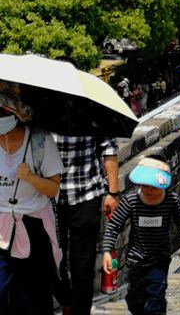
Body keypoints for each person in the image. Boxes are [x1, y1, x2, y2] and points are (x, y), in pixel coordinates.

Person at [101, 157, 180, 315]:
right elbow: (114, 226)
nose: (150, 191)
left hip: (159, 259)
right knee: (135, 300)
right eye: (145, 186)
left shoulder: (171, 200)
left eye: (154, 187)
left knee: (156, 299)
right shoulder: (131, 201)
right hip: (136, 260)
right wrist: (107, 250)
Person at [0, 98, 62, 315]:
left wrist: (30, 177)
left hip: (33, 225)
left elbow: (53, 188)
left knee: (33, 298)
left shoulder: (39, 141)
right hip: (1, 227)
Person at [54, 133, 121, 315]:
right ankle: (66, 300)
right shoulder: (43, 111)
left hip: (87, 194)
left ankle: (80, 310)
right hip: (49, 197)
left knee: (82, 264)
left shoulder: (92, 111)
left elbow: (109, 149)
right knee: (53, 260)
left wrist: (113, 192)